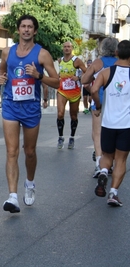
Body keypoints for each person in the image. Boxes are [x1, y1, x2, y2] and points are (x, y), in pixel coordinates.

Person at [0, 14, 59, 213]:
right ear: (18, 30)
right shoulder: (7, 52)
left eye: (29, 27)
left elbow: (57, 81)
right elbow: (2, 71)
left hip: (31, 106)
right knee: (11, 151)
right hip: (10, 105)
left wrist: (38, 76)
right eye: (23, 26)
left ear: (35, 30)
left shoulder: (42, 54)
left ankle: (30, 183)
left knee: (29, 151)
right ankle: (13, 196)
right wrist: (0, 79)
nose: (26, 30)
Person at [90, 40, 130, 207]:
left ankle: (104, 171)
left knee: (107, 156)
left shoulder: (106, 72)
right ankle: (113, 193)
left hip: (108, 123)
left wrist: (98, 106)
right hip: (126, 125)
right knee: (120, 160)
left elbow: (93, 90)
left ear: (116, 53)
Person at [81, 37, 118, 178]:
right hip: (117, 103)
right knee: (114, 133)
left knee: (97, 133)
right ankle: (109, 163)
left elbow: (84, 80)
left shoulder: (98, 62)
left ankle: (99, 163)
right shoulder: (121, 62)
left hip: (99, 101)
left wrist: (92, 84)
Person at [56, 41, 87, 149]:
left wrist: (78, 78)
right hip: (62, 91)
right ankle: (60, 137)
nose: (66, 48)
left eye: (68, 47)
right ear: (63, 49)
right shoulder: (59, 60)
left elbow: (87, 72)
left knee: (73, 116)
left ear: (72, 48)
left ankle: (72, 137)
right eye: (65, 47)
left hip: (74, 92)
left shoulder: (77, 61)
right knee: (60, 114)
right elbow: (56, 74)